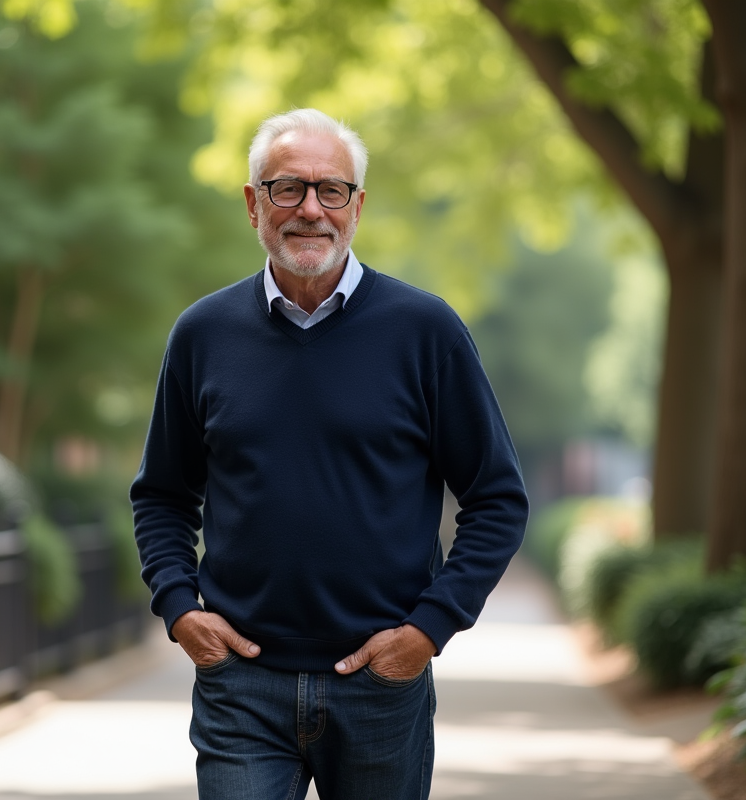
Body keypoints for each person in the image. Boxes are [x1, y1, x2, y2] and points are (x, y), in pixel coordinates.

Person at [130, 108, 528, 799]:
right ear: (254, 203)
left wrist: (427, 632)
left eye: (330, 190)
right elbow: (163, 494)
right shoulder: (202, 335)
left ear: (357, 207)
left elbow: (497, 499)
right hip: (241, 687)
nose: (310, 209)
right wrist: (179, 607)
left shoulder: (425, 332)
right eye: (288, 188)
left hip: (381, 684)